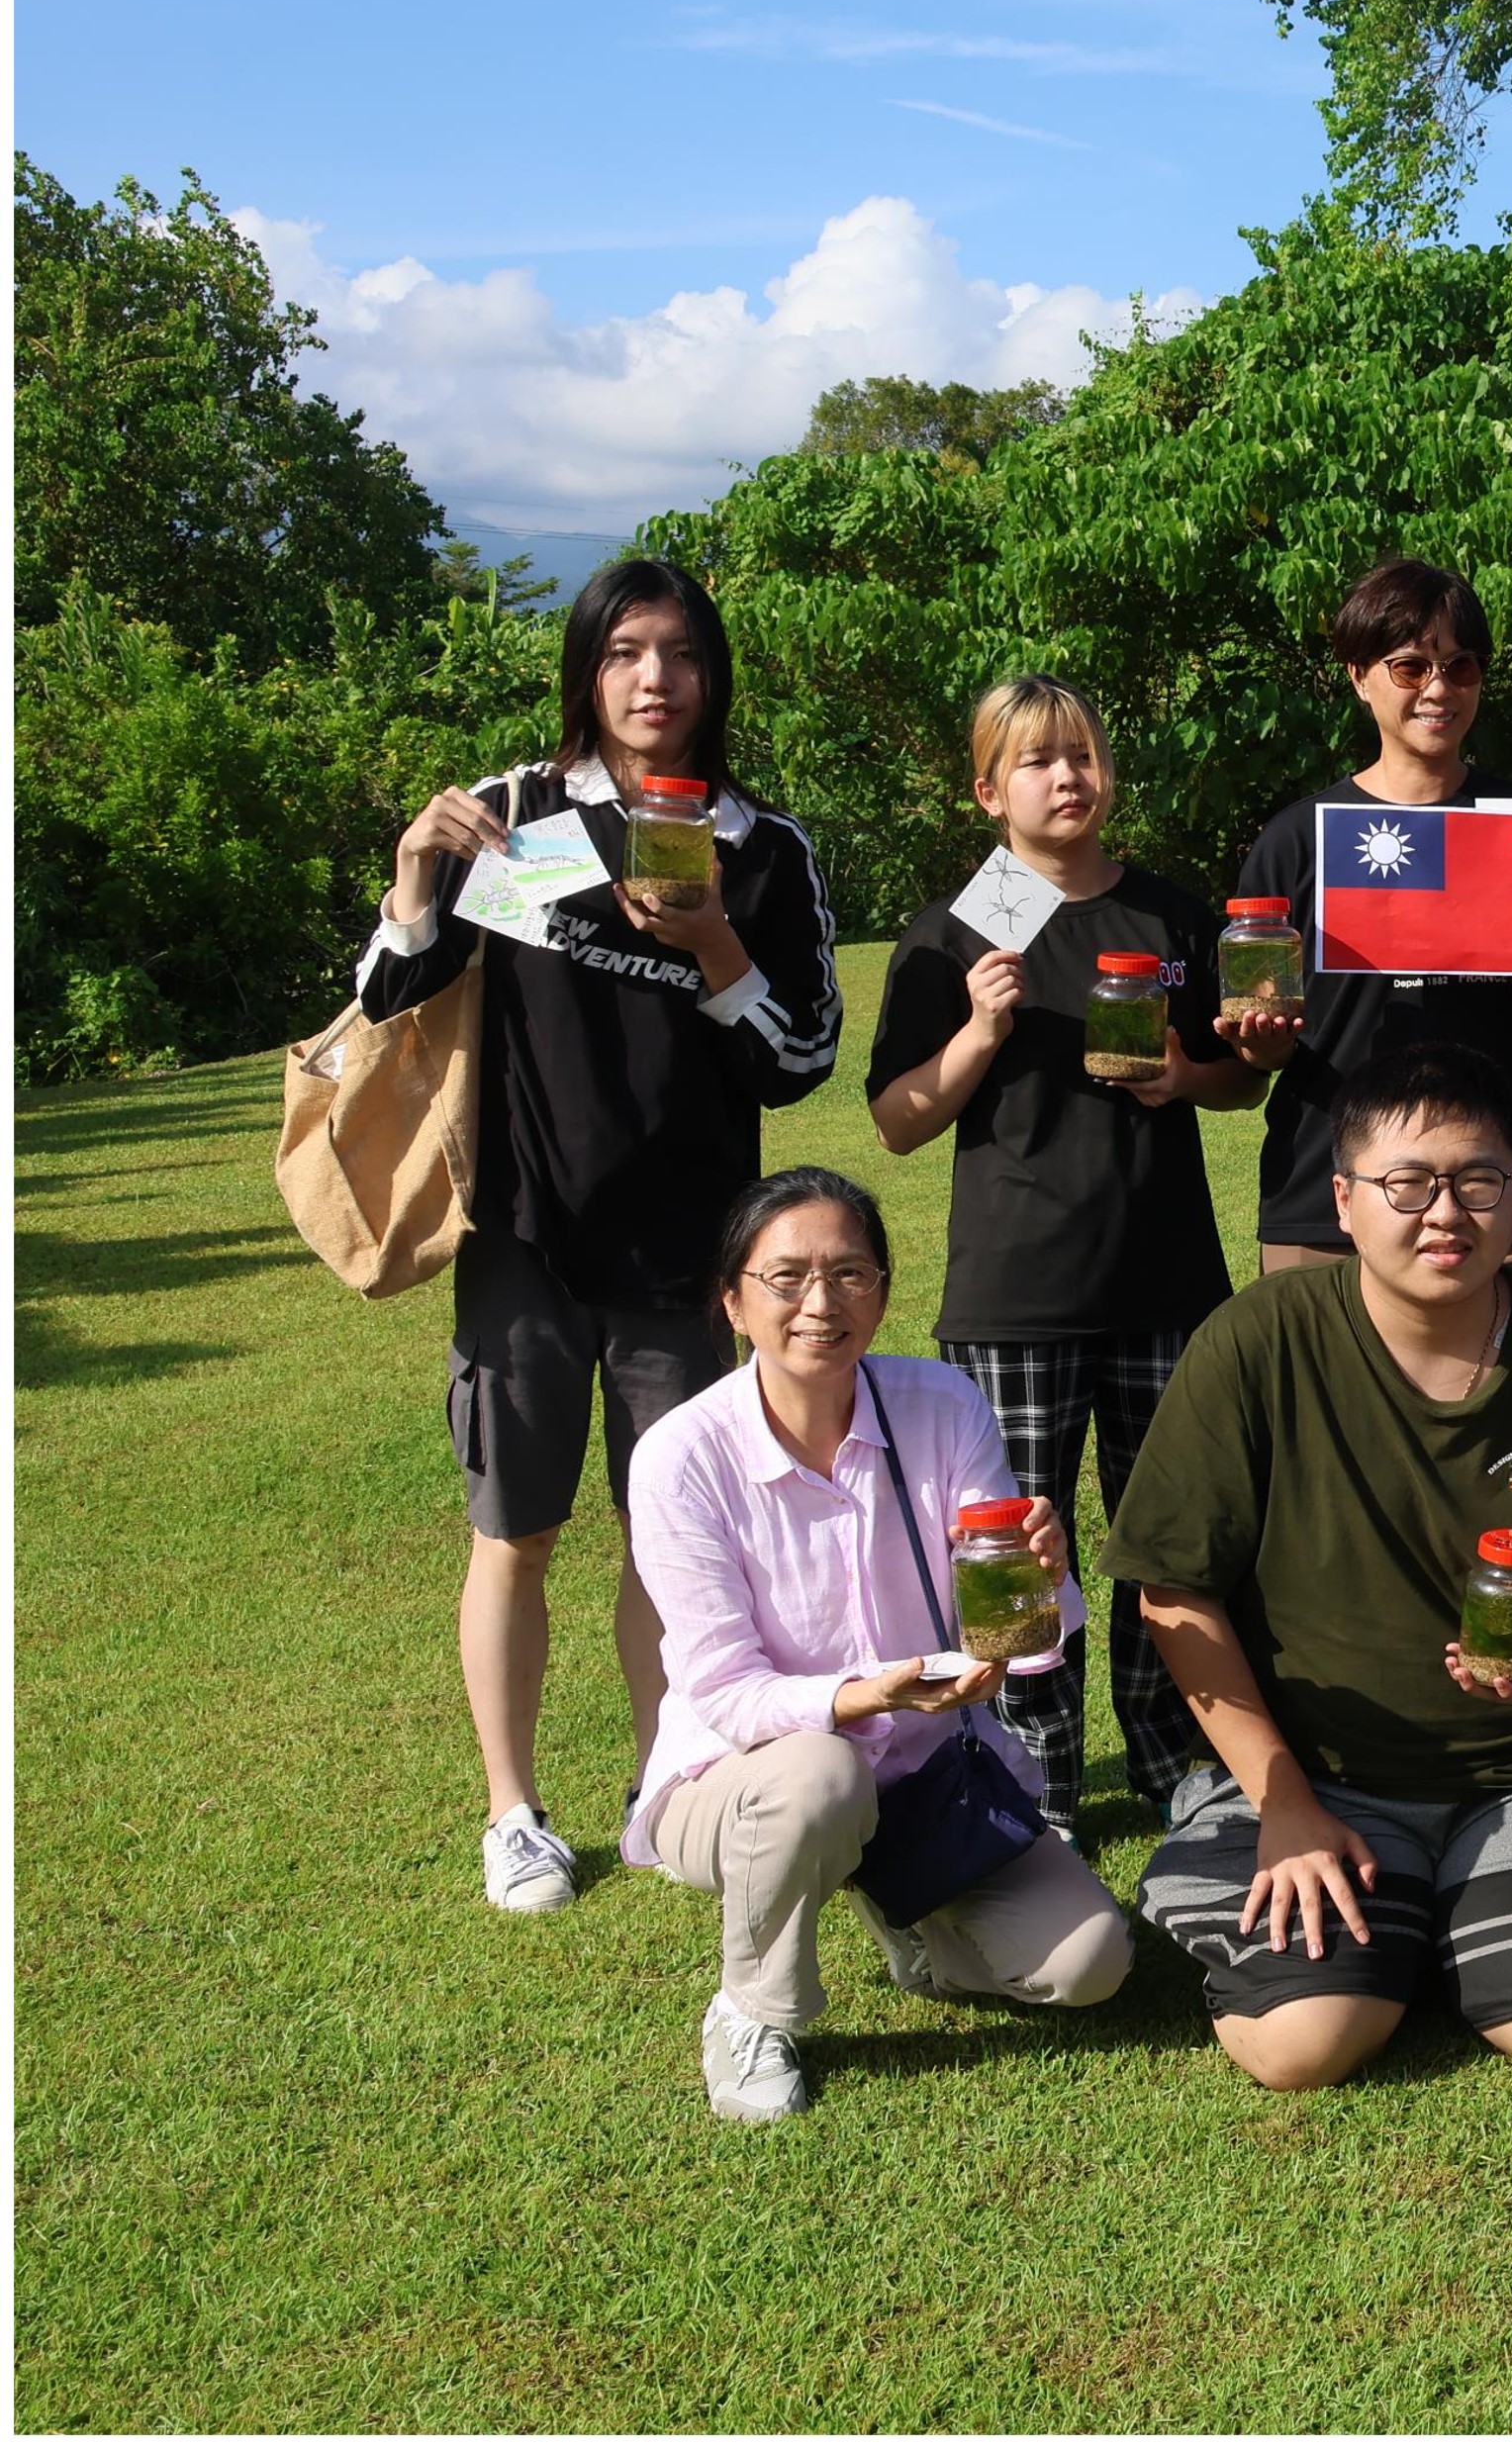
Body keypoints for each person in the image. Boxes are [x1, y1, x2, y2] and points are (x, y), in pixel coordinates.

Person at [351, 557, 844, 1915]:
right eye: (624, 651)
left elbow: (800, 1060)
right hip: (525, 1238)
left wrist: (715, 944)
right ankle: (512, 1812)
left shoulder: (760, 846)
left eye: (679, 653)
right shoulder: (518, 816)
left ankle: (661, 1785)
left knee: (663, 1540)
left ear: (711, 675)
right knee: (514, 1530)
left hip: (689, 1259)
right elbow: (394, 992)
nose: (652, 679)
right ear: (587, 669)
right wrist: (415, 874)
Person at [1108, 1045, 1512, 2091]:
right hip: (1320, 1771)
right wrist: (1282, 1796)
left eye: (1479, 1181)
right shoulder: (1257, 1342)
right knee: (1303, 2043)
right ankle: (1403, 1911)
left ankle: (1476, 1910)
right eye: (1408, 1184)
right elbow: (1174, 1590)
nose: (1446, 1213)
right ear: (1344, 1200)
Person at [621, 1169, 1132, 2123]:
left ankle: (906, 1916)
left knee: (1090, 1963)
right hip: (742, 1780)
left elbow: (1015, 1636)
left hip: (926, 1772)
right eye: (786, 1278)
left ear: (883, 1291)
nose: (820, 1303)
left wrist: (1035, 1578)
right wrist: (869, 1696)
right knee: (821, 1773)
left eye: (850, 1273)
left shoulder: (941, 1403)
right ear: (732, 1300)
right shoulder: (682, 1457)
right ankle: (753, 2010)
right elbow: (727, 1694)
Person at [866, 674, 1249, 1837]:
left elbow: (1241, 1076)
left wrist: (1185, 1077)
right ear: (989, 791)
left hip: (1166, 1279)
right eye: (1036, 761)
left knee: (1164, 1534)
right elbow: (896, 1119)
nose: (1067, 778)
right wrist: (982, 1030)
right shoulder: (962, 926)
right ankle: (1040, 1772)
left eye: (1082, 754)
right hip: (1017, 1290)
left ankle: (1170, 1751)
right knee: (1018, 1552)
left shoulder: (1170, 916)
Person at [1219, 558, 1512, 1278]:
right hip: (1328, 1198)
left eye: (1460, 666)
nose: (1438, 689)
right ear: (1359, 676)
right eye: (1410, 667)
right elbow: (1261, 1052)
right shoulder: (1298, 841)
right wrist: (1261, 1043)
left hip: (1501, 1195)